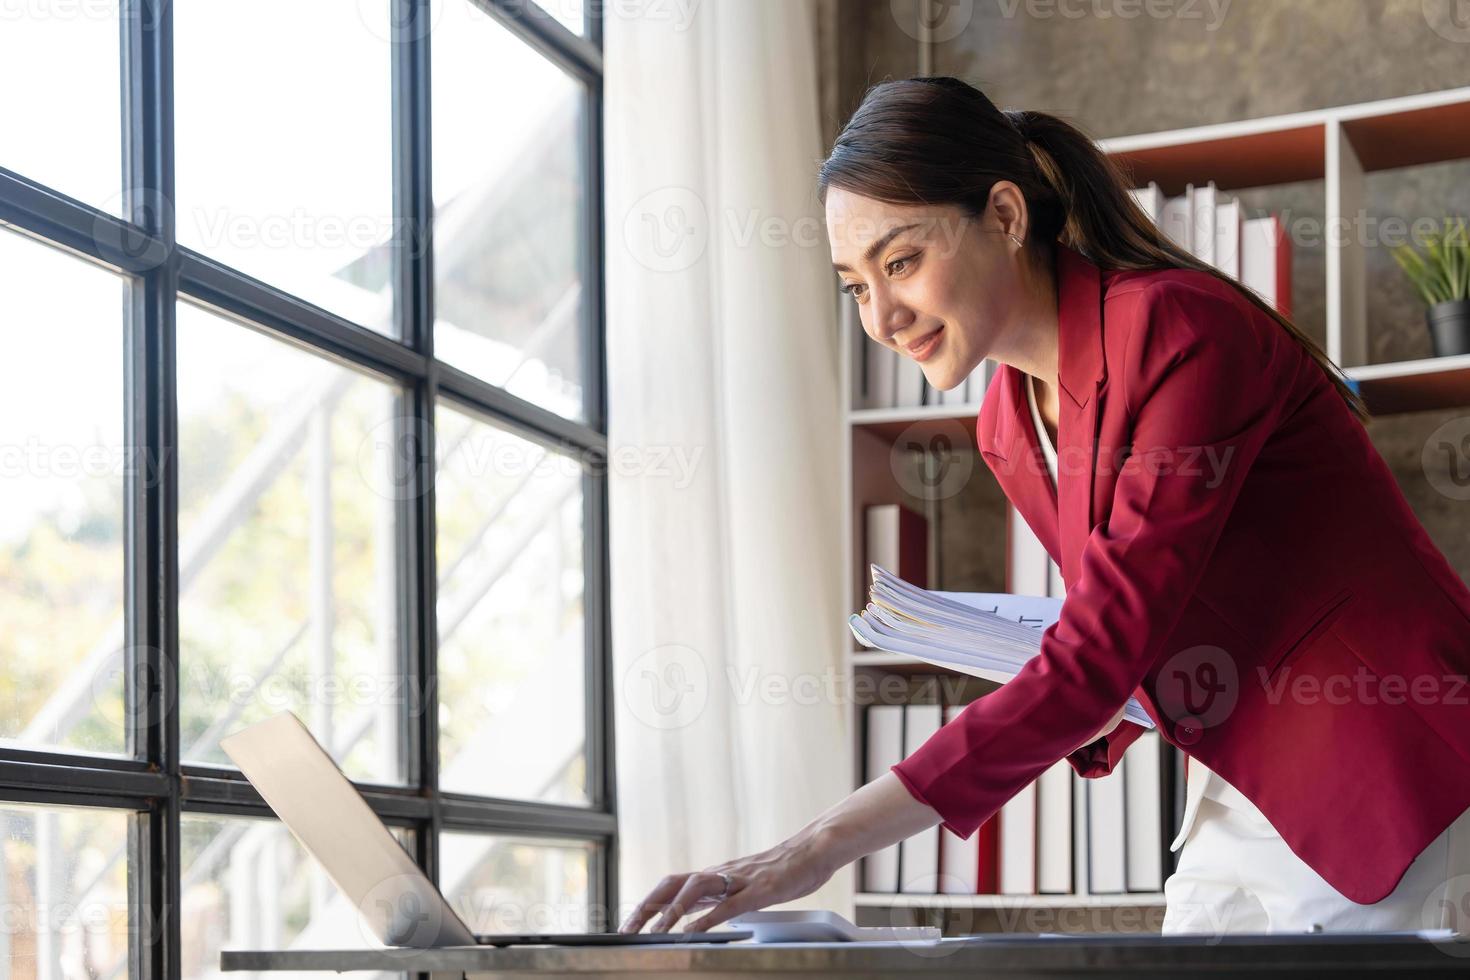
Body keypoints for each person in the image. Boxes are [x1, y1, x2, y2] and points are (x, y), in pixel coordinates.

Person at [618, 76, 1470, 938]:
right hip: (1241, 775)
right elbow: (1116, 635)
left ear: (1005, 215)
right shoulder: (1007, 422)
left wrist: (816, 847)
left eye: (901, 262)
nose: (881, 315)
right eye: (855, 286)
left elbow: (1100, 649)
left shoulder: (1182, 332)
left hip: (1384, 752)